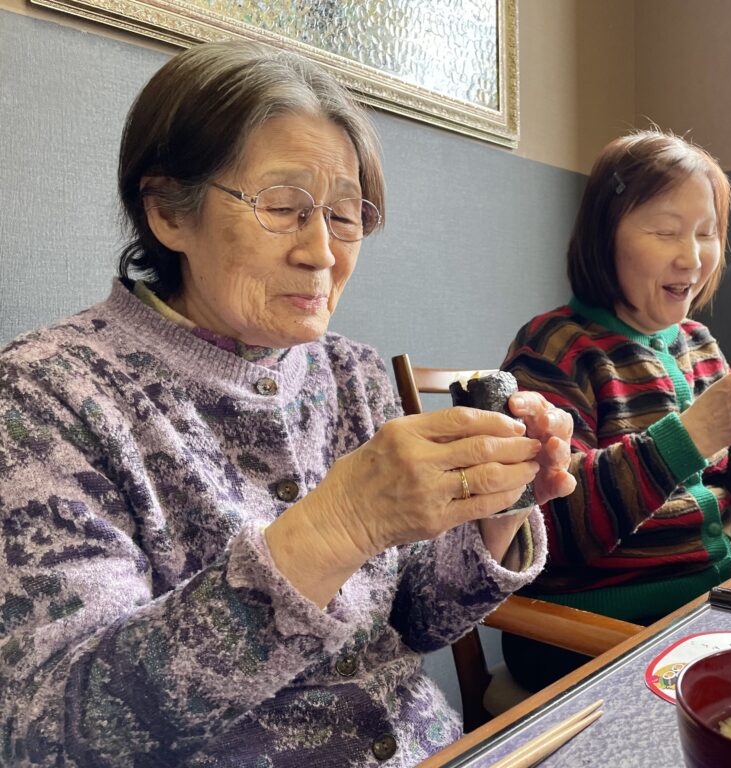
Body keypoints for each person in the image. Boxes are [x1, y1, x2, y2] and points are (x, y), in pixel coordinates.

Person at [0, 41, 576, 767]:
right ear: (167, 212)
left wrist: (497, 510)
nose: (322, 252)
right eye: (283, 207)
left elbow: (416, 620)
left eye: (345, 215)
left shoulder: (351, 371)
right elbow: (53, 734)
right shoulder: (48, 395)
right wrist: (336, 527)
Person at [500, 130, 731, 691]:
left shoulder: (696, 342)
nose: (692, 257)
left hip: (712, 605)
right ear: (604, 237)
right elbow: (551, 526)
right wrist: (699, 429)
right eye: (665, 232)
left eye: (707, 233)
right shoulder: (555, 347)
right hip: (593, 630)